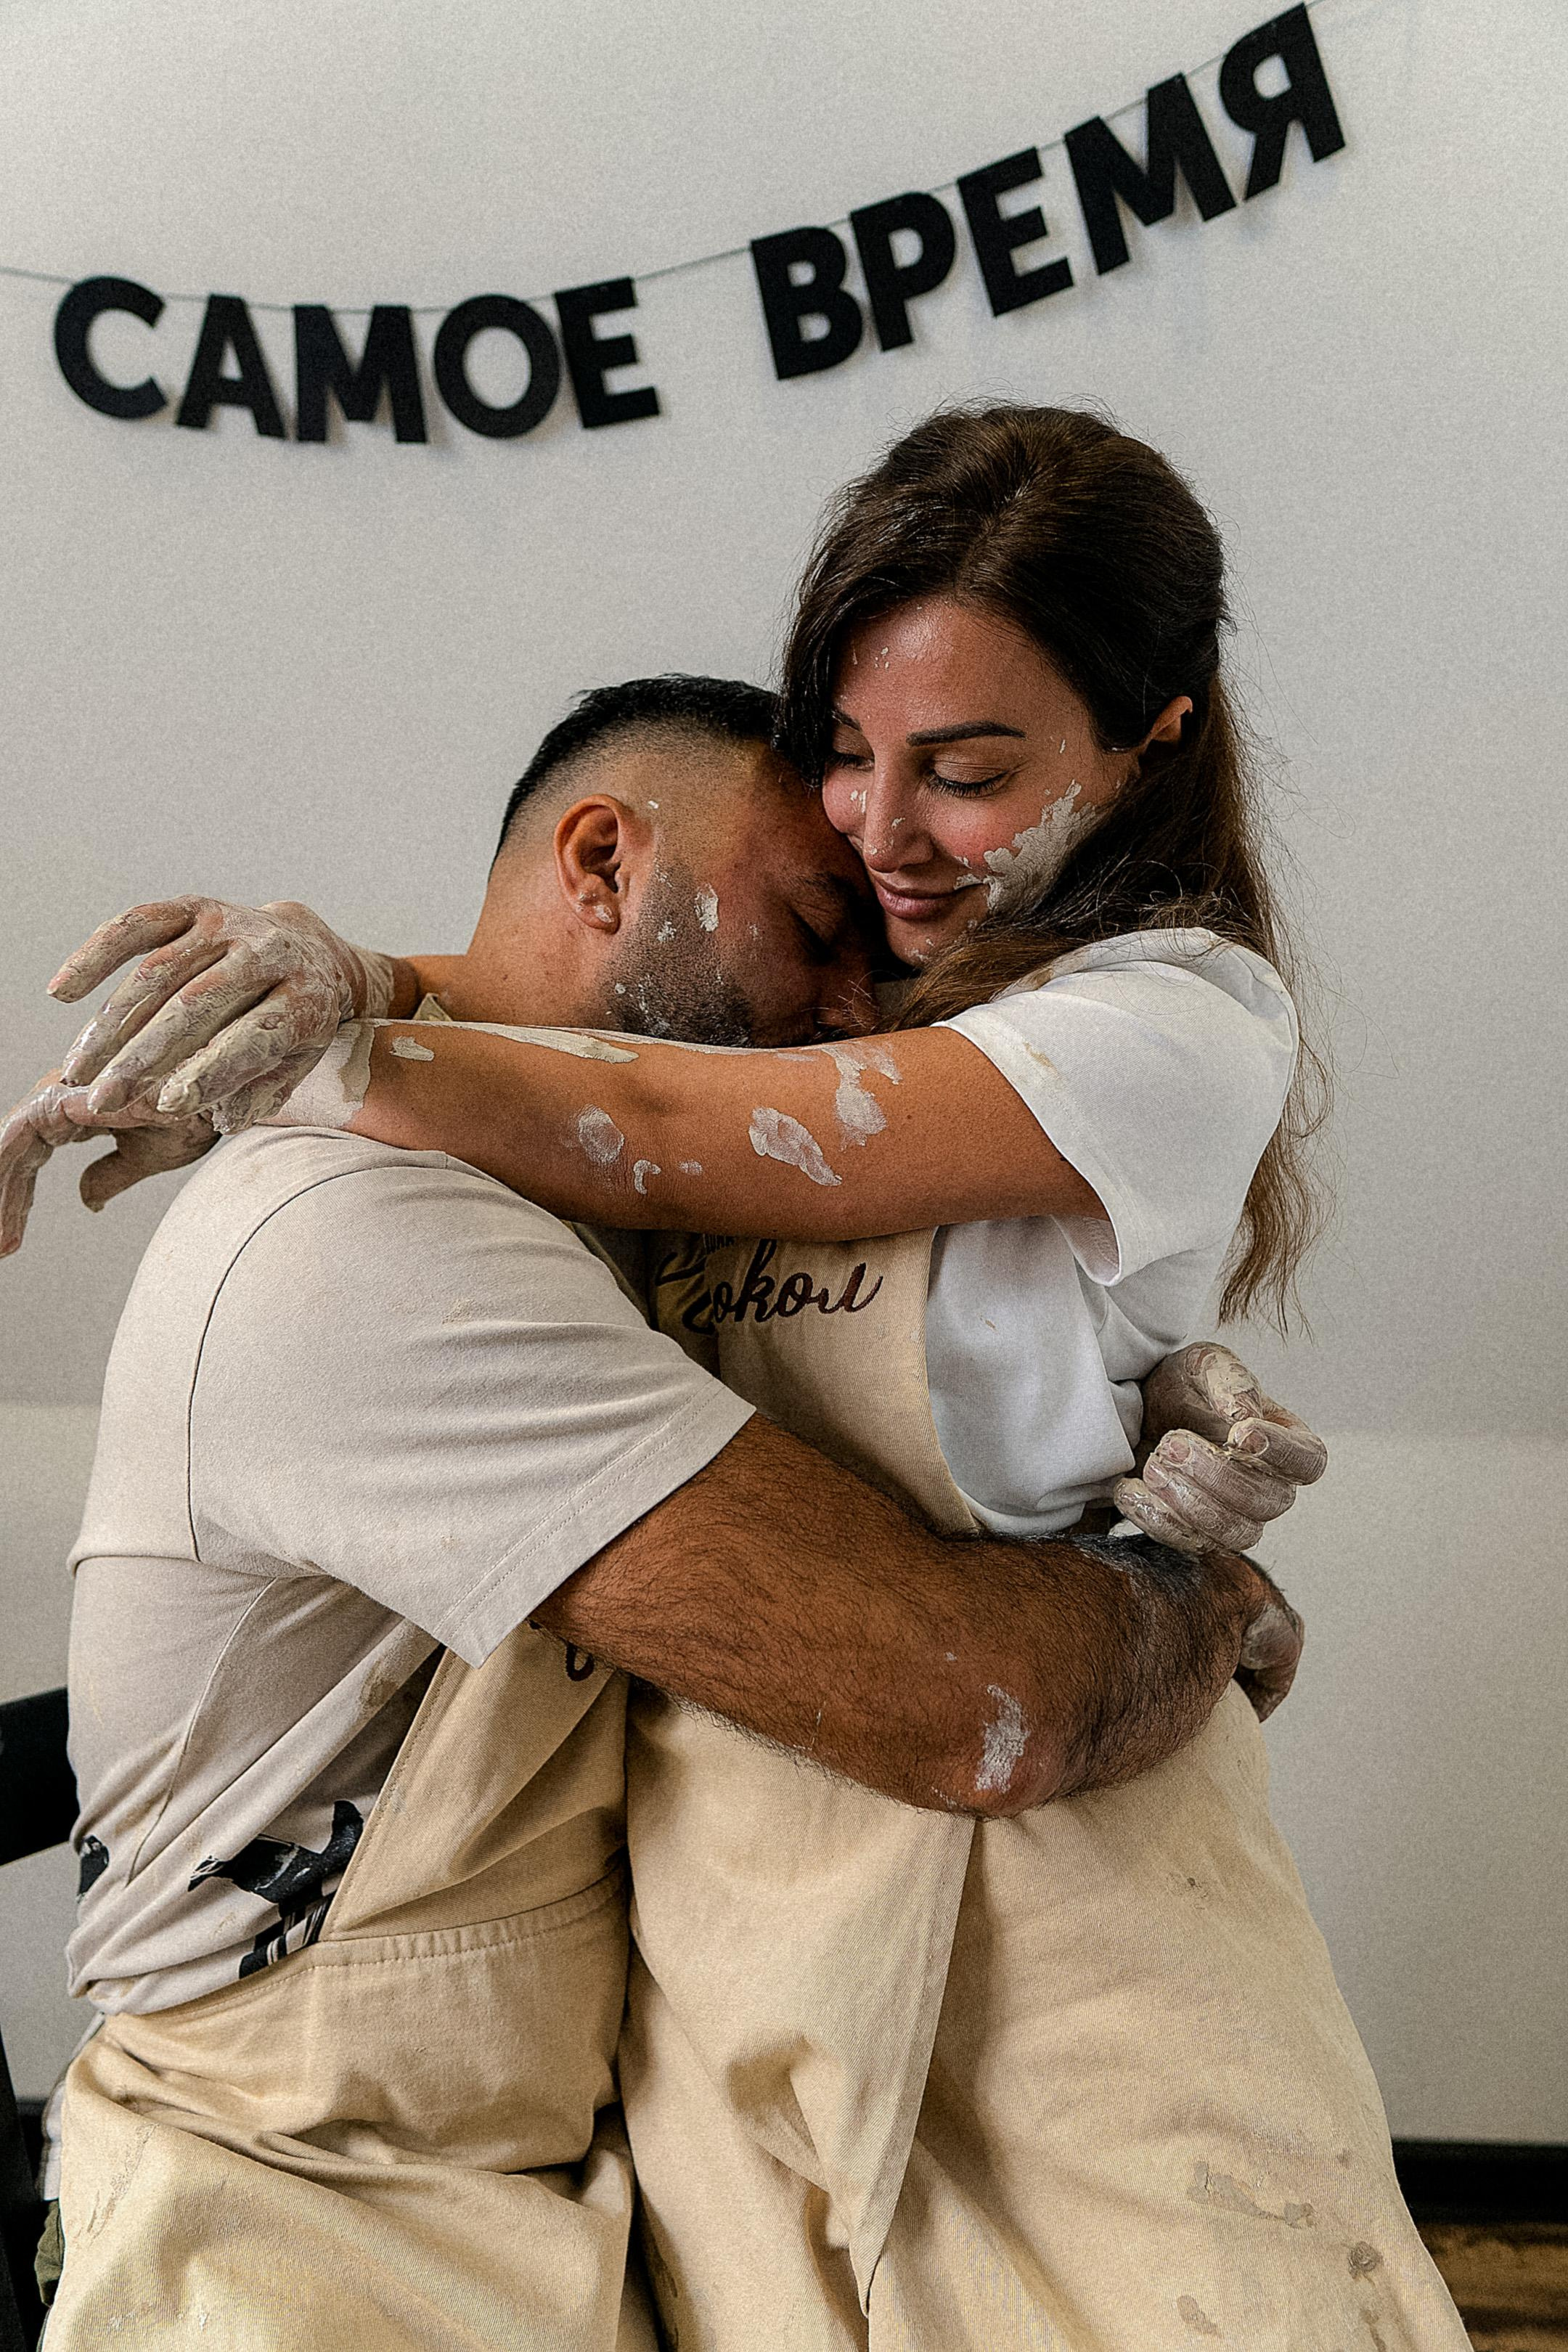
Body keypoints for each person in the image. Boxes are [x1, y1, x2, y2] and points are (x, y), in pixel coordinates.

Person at [13, 409, 1467, 2345]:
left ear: (1151, 746)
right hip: (352, 2176)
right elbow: (957, 1679)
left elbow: (685, 1111)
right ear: (613, 856)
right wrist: (1187, 1586)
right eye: (827, 872)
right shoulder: (386, 1232)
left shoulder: (1129, 1029)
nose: (873, 903)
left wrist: (374, 1008)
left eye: (961, 777)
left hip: (820, 2022)